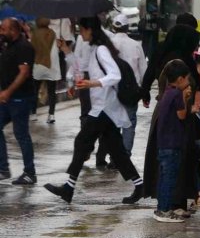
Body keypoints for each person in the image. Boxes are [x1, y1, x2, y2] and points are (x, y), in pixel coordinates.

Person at [45, 17, 144, 204]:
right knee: (117, 150)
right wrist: (67, 51)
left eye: (81, 30)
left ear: (90, 30)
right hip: (103, 107)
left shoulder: (102, 50)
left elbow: (114, 75)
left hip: (105, 108)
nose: (80, 34)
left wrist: (94, 82)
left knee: (81, 141)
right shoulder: (93, 49)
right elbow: (79, 69)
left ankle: (68, 187)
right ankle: (139, 185)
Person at [141, 15, 200, 216]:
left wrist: (144, 94)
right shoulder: (180, 61)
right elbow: (192, 85)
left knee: (170, 161)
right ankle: (173, 204)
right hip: (177, 115)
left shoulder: (163, 51)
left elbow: (149, 73)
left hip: (164, 113)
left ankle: (173, 203)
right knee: (177, 159)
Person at [95, 14, 148, 168]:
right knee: (129, 124)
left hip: (111, 89)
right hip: (131, 91)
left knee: (112, 124)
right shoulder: (136, 45)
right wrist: (144, 93)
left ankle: (114, 156)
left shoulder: (107, 45)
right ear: (126, 28)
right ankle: (124, 157)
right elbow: (143, 70)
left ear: (114, 27)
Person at [153, 60, 192, 223]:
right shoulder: (176, 93)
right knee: (169, 178)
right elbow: (182, 115)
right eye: (188, 79)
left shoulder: (167, 92)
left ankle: (162, 208)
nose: (189, 82)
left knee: (164, 177)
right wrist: (186, 97)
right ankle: (165, 210)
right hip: (172, 143)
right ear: (181, 79)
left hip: (163, 143)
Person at [0, 18, 37, 185]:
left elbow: (24, 73)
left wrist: (8, 91)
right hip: (8, 99)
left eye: (3, 29)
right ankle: (3, 168)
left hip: (20, 97)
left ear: (13, 31)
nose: (1, 32)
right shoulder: (9, 46)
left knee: (21, 134)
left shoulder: (24, 47)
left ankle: (30, 172)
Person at [30, 17, 61, 124]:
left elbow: (31, 49)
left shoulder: (35, 34)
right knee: (52, 92)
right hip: (51, 67)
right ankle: (51, 115)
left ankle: (33, 114)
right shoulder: (53, 33)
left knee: (34, 91)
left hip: (38, 66)